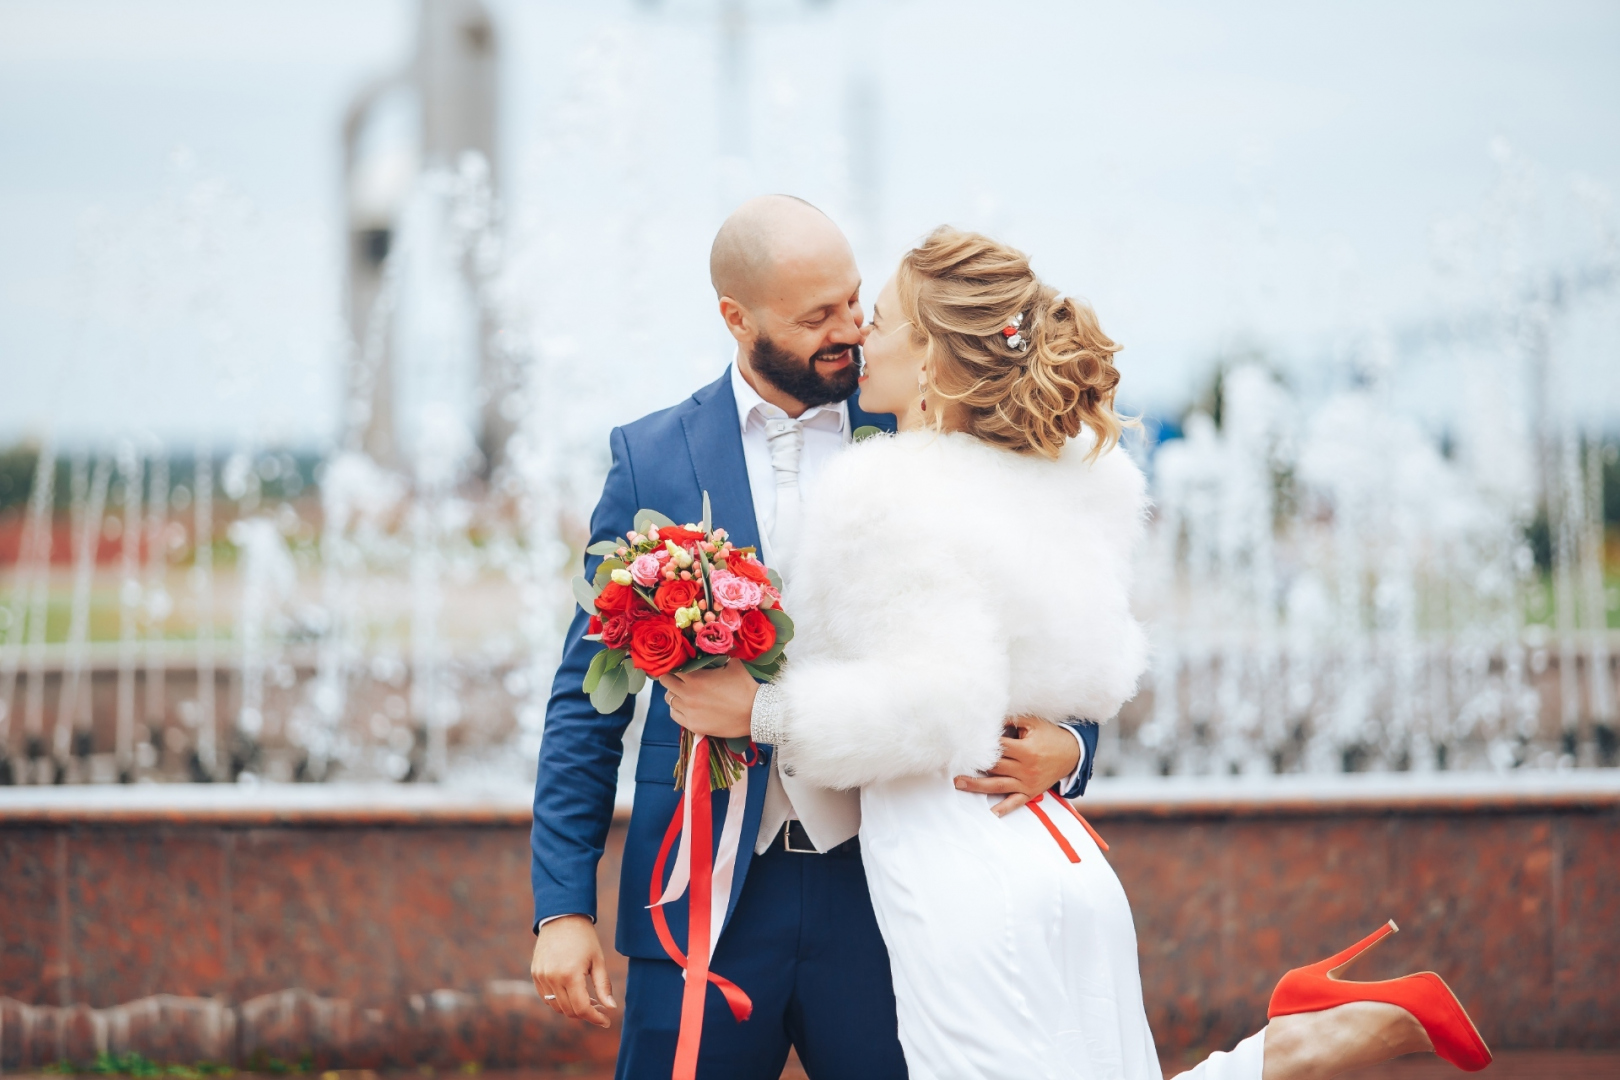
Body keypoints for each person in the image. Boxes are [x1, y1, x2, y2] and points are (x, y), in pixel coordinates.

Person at [665, 226, 1494, 1080]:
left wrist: (760, 708)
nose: (858, 339)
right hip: (1057, 855)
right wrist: (1066, 746)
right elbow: (1094, 675)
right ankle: (1290, 1044)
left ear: (935, 361)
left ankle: (1298, 1048)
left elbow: (934, 708)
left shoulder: (883, 490)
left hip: (958, 870)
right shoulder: (1066, 483)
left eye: (878, 320)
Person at [528, 197, 1099, 1079]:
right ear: (737, 319)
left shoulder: (918, 418)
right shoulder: (652, 458)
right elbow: (584, 699)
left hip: (887, 889)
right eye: (815, 317)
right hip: (702, 899)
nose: (852, 330)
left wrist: (1073, 743)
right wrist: (562, 907)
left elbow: (1038, 626)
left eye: (855, 300)